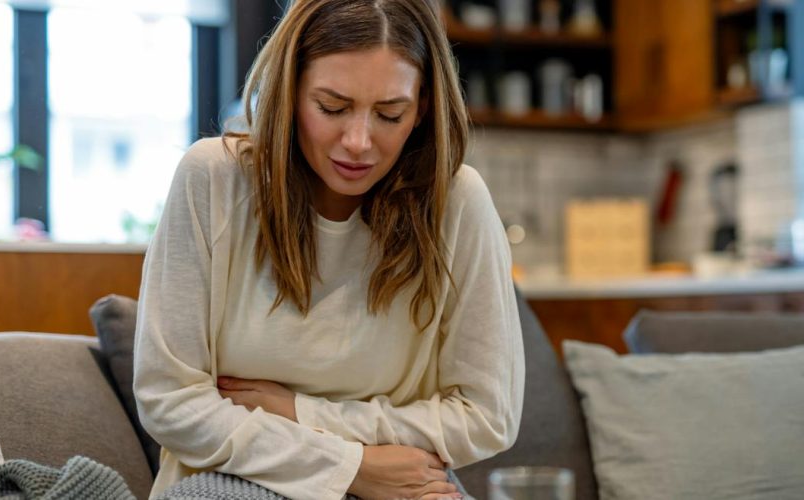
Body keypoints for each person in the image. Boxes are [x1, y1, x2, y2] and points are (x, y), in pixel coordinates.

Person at [132, 1, 525, 499]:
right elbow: (169, 401)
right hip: (233, 483)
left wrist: (301, 412)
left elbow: (488, 418)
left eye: (390, 114)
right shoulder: (212, 180)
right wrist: (349, 467)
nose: (358, 141)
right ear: (290, 91)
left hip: (401, 484)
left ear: (422, 106)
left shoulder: (458, 202)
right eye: (332, 108)